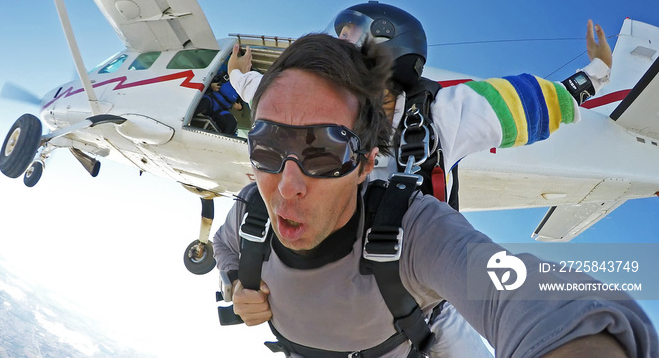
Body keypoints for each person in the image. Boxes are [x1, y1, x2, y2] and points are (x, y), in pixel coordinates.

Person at [213, 33, 657, 357]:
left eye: (326, 150)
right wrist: (235, 283)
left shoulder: (441, 120)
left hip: (418, 288)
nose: (289, 184)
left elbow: (510, 287)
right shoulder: (254, 206)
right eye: (268, 146)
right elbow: (277, 103)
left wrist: (594, 77)